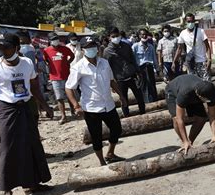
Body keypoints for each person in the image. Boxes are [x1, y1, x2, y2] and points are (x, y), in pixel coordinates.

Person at [0, 33, 54, 195]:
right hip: (6, 109)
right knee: (7, 149)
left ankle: (33, 184)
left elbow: (34, 86)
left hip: (25, 106)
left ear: (17, 48)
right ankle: (8, 193)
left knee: (32, 144)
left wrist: (45, 105)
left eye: (6, 47)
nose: (2, 50)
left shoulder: (27, 63)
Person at [66, 36, 127, 165]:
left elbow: (111, 81)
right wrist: (76, 106)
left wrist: (121, 96)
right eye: (88, 47)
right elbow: (69, 88)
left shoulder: (104, 62)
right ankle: (101, 162)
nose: (92, 49)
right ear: (82, 50)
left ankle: (110, 153)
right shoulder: (78, 67)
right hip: (91, 107)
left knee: (117, 129)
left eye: (93, 46)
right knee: (96, 136)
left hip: (108, 105)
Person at [165, 74, 215, 154]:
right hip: (173, 91)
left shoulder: (210, 92)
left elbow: (212, 114)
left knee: (201, 118)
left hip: (193, 91)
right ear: (200, 96)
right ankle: (184, 142)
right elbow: (180, 119)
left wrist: (214, 135)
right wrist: (185, 141)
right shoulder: (185, 93)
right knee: (176, 119)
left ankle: (190, 142)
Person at [104, 27, 146, 117]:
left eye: (117, 35)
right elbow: (108, 68)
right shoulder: (107, 51)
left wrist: (138, 71)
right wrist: (111, 82)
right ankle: (127, 116)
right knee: (123, 99)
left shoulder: (126, 46)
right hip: (120, 79)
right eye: (113, 36)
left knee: (139, 96)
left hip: (132, 75)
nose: (116, 38)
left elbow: (133, 59)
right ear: (109, 38)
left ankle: (143, 113)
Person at [43, 32, 75, 124]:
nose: (55, 41)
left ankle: (73, 110)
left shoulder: (65, 48)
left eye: (56, 39)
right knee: (59, 98)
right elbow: (45, 60)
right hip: (55, 77)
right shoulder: (46, 50)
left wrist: (68, 62)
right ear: (50, 41)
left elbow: (72, 56)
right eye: (53, 39)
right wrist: (49, 67)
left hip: (66, 76)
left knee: (70, 95)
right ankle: (63, 116)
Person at [173, 13, 212, 81]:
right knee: (193, 84)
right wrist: (174, 61)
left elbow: (207, 47)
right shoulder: (183, 33)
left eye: (192, 21)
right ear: (185, 22)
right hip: (191, 63)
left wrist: (209, 59)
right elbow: (179, 49)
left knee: (206, 83)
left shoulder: (201, 31)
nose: (190, 23)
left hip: (201, 62)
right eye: (188, 21)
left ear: (194, 21)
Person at [133, 28, 160, 102]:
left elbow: (154, 58)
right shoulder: (135, 46)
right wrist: (135, 71)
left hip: (149, 67)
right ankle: (145, 102)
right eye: (142, 34)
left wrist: (157, 69)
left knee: (152, 84)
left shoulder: (151, 46)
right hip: (141, 69)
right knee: (143, 86)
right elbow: (133, 59)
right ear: (139, 36)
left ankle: (154, 101)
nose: (144, 36)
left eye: (145, 34)